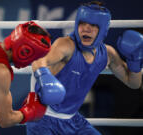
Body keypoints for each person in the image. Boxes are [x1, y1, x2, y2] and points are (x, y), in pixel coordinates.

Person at [27, 1, 143, 135]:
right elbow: (39, 60)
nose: (85, 29)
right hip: (43, 117)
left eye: (93, 25)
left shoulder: (108, 54)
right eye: (82, 23)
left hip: (72, 119)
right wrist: (44, 78)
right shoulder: (65, 45)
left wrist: (135, 62)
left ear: (103, 29)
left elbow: (134, 83)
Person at [0, 21, 56, 135]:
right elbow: (6, 120)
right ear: (25, 51)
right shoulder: (1, 71)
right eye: (34, 58)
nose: (31, 63)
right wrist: (30, 111)